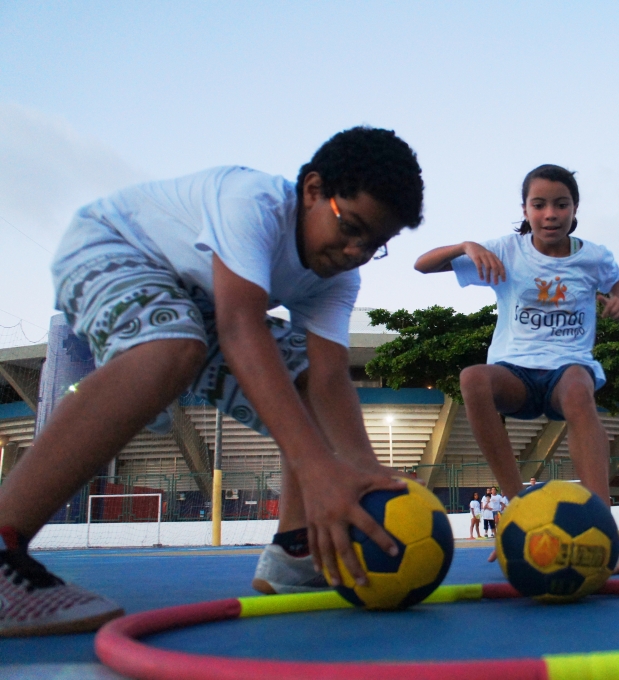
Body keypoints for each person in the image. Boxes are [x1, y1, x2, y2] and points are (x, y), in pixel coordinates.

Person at [0, 127, 425, 636]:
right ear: (313, 190)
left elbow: (330, 379)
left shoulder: (337, 276)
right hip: (112, 249)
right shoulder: (255, 203)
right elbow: (240, 326)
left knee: (299, 372)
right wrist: (317, 469)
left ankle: (295, 550)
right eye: (351, 227)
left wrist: (364, 474)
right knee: (172, 349)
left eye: (375, 244)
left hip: (199, 298)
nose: (357, 251)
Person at [414, 164, 619, 574]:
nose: (550, 213)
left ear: (574, 210)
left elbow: (616, 279)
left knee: (576, 386)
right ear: (525, 209)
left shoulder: (593, 257)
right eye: (539, 205)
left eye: (561, 204)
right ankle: (518, 508)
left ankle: (605, 533)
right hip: (515, 375)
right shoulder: (505, 250)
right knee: (472, 377)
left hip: (566, 371)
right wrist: (466, 246)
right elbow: (421, 265)